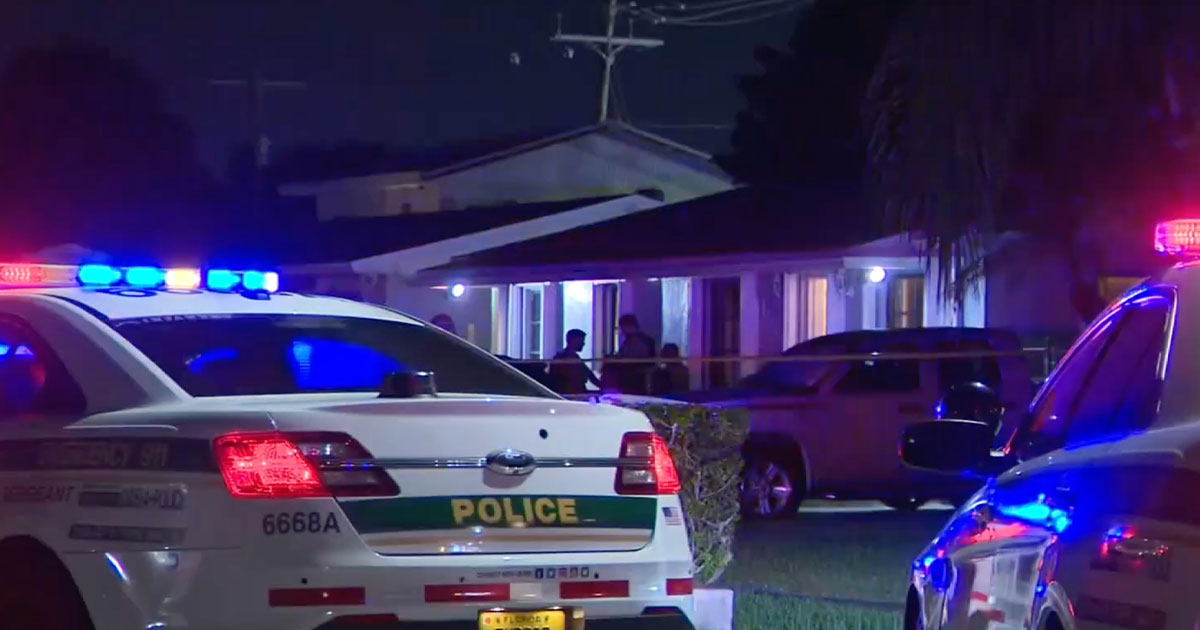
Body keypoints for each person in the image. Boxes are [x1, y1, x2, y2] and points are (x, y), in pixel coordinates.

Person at [612, 314, 656, 394]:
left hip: (637, 375)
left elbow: (636, 357)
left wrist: (620, 359)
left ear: (630, 326)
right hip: (631, 373)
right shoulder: (628, 341)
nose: (622, 331)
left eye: (623, 327)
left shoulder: (641, 341)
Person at [549, 329, 600, 395]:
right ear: (573, 341)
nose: (583, 344)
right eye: (581, 341)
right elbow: (587, 375)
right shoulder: (566, 358)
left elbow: (589, 374)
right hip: (571, 395)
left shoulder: (572, 357)